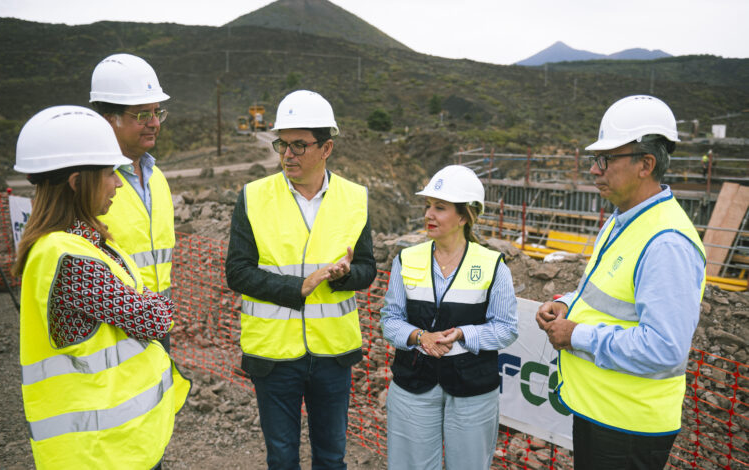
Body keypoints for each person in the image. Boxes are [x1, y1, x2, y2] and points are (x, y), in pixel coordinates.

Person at [13, 105, 190, 469]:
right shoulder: (69, 257)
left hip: (112, 443)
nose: (119, 183)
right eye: (110, 174)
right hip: (98, 451)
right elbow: (155, 319)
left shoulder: (78, 241)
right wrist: (156, 303)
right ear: (78, 182)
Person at [536, 95, 706, 470]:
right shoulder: (621, 219)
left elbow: (665, 349)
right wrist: (567, 303)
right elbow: (604, 290)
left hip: (630, 428)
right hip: (603, 413)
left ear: (646, 164)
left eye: (606, 159)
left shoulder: (667, 243)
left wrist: (574, 334)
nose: (595, 171)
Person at [225, 90, 376, 470]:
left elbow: (369, 269)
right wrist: (299, 288)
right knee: (281, 458)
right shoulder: (253, 197)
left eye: (298, 145)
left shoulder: (355, 199)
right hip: (273, 356)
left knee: (331, 457)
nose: (287, 155)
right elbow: (237, 272)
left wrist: (344, 276)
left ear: (326, 148)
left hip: (333, 354)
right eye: (282, 144)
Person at [380, 165, 518, 470]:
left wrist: (464, 334)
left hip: (473, 389)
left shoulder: (493, 265)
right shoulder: (406, 260)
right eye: (428, 206)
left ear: (465, 215)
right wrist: (419, 337)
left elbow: (506, 328)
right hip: (413, 384)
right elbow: (390, 319)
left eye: (439, 207)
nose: (429, 214)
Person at [90, 53, 176, 351]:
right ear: (107, 121)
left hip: (157, 324)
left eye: (157, 112)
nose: (154, 123)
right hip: (109, 333)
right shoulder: (87, 187)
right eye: (142, 115)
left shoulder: (158, 179)